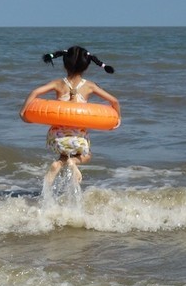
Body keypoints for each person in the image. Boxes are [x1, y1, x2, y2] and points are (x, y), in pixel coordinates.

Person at [20, 46, 120, 189]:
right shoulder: (90, 86)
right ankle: (74, 163)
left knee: (63, 156)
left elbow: (35, 92)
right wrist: (117, 119)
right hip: (78, 137)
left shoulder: (58, 83)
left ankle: (58, 164)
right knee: (86, 155)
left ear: (64, 63)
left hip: (57, 137)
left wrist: (23, 112)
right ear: (87, 66)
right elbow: (114, 101)